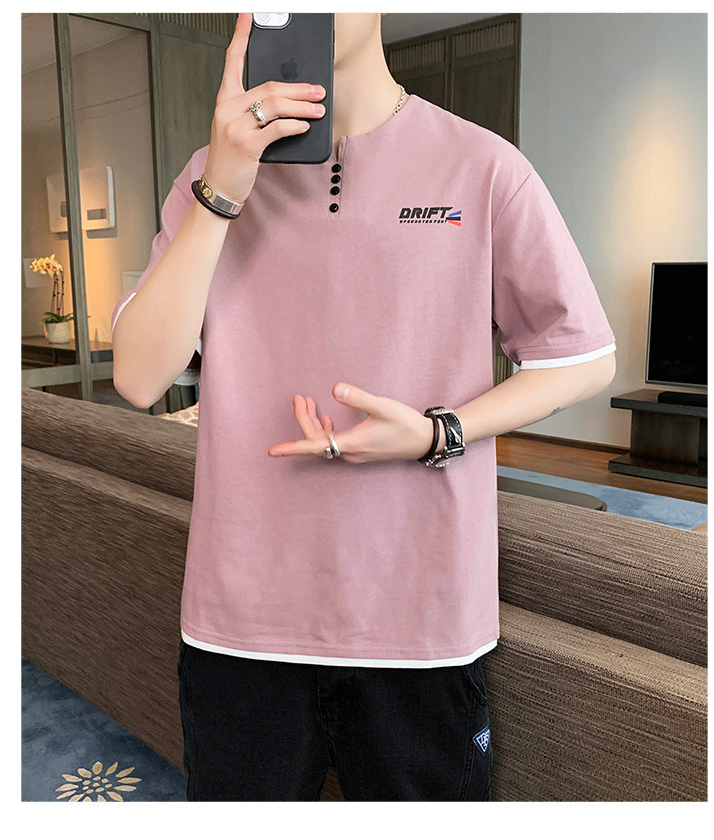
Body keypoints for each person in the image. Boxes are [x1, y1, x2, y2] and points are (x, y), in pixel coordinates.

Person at [111, 12, 616, 801]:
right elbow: (141, 379)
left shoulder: (483, 167)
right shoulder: (209, 175)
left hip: (421, 620)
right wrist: (222, 190)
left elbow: (581, 356)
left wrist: (439, 433)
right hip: (242, 622)